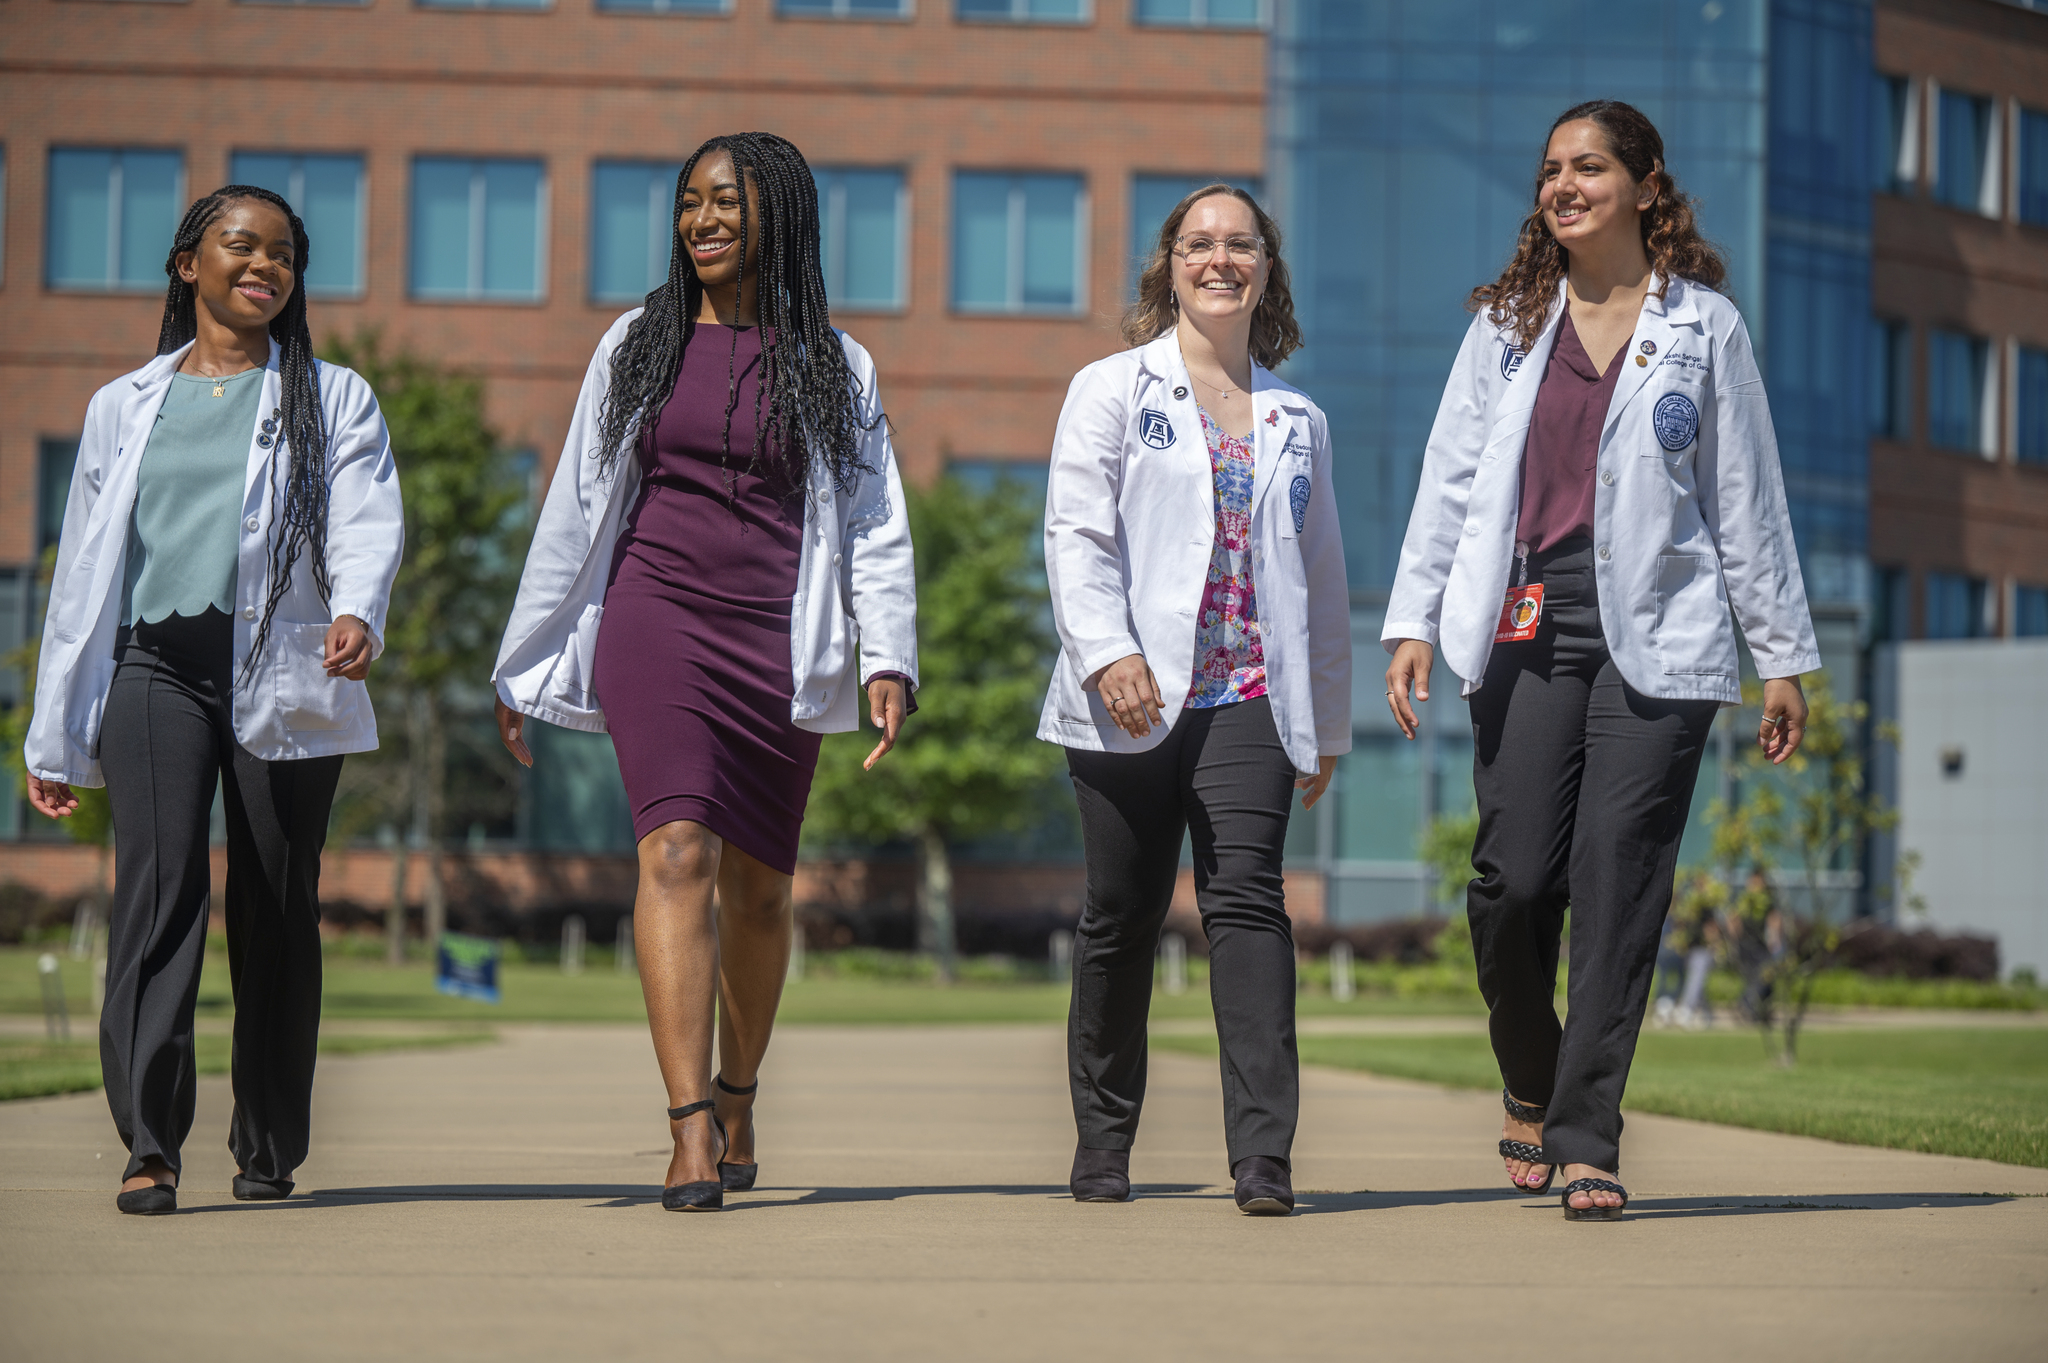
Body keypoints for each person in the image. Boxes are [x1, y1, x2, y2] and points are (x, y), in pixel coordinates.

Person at [1383, 100, 1819, 1221]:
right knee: (1512, 879)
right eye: (1548, 171)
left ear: (1642, 184)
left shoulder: (1702, 327)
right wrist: (1411, 621)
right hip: (1526, 624)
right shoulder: (1504, 323)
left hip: (1660, 640)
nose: (1562, 185)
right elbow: (1446, 481)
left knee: (1618, 887)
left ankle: (1586, 1136)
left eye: (1587, 167)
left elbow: (1745, 500)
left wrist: (1777, 656)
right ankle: (1530, 1074)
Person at [492, 133, 917, 1214]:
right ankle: (686, 1128)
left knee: (763, 892)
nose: (703, 219)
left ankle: (737, 1093)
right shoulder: (638, 342)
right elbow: (577, 505)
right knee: (675, 849)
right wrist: (523, 654)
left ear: (779, 214)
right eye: (689, 202)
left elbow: (873, 522)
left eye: (726, 201)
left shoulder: (835, 361)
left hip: (779, 635)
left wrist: (887, 656)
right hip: (658, 614)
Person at [25, 186, 403, 1215]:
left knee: (276, 903)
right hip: (156, 667)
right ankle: (149, 1140)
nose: (264, 268)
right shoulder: (122, 404)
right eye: (242, 248)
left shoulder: (332, 397)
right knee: (159, 895)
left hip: (287, 664)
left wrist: (359, 610)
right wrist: (53, 731)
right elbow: (80, 583)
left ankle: (268, 1142)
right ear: (188, 264)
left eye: (283, 255)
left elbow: (368, 518)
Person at [1039, 184, 1349, 1216]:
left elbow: (1322, 579)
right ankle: (1102, 1140)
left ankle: (1263, 1157)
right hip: (1125, 695)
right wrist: (1104, 651)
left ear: (1266, 266)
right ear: (1167, 265)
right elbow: (1074, 533)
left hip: (1250, 694)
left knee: (1246, 905)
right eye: (1198, 243)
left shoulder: (1296, 420)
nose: (1220, 259)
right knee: (1119, 916)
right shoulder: (1110, 388)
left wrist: (1326, 725)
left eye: (1240, 244)